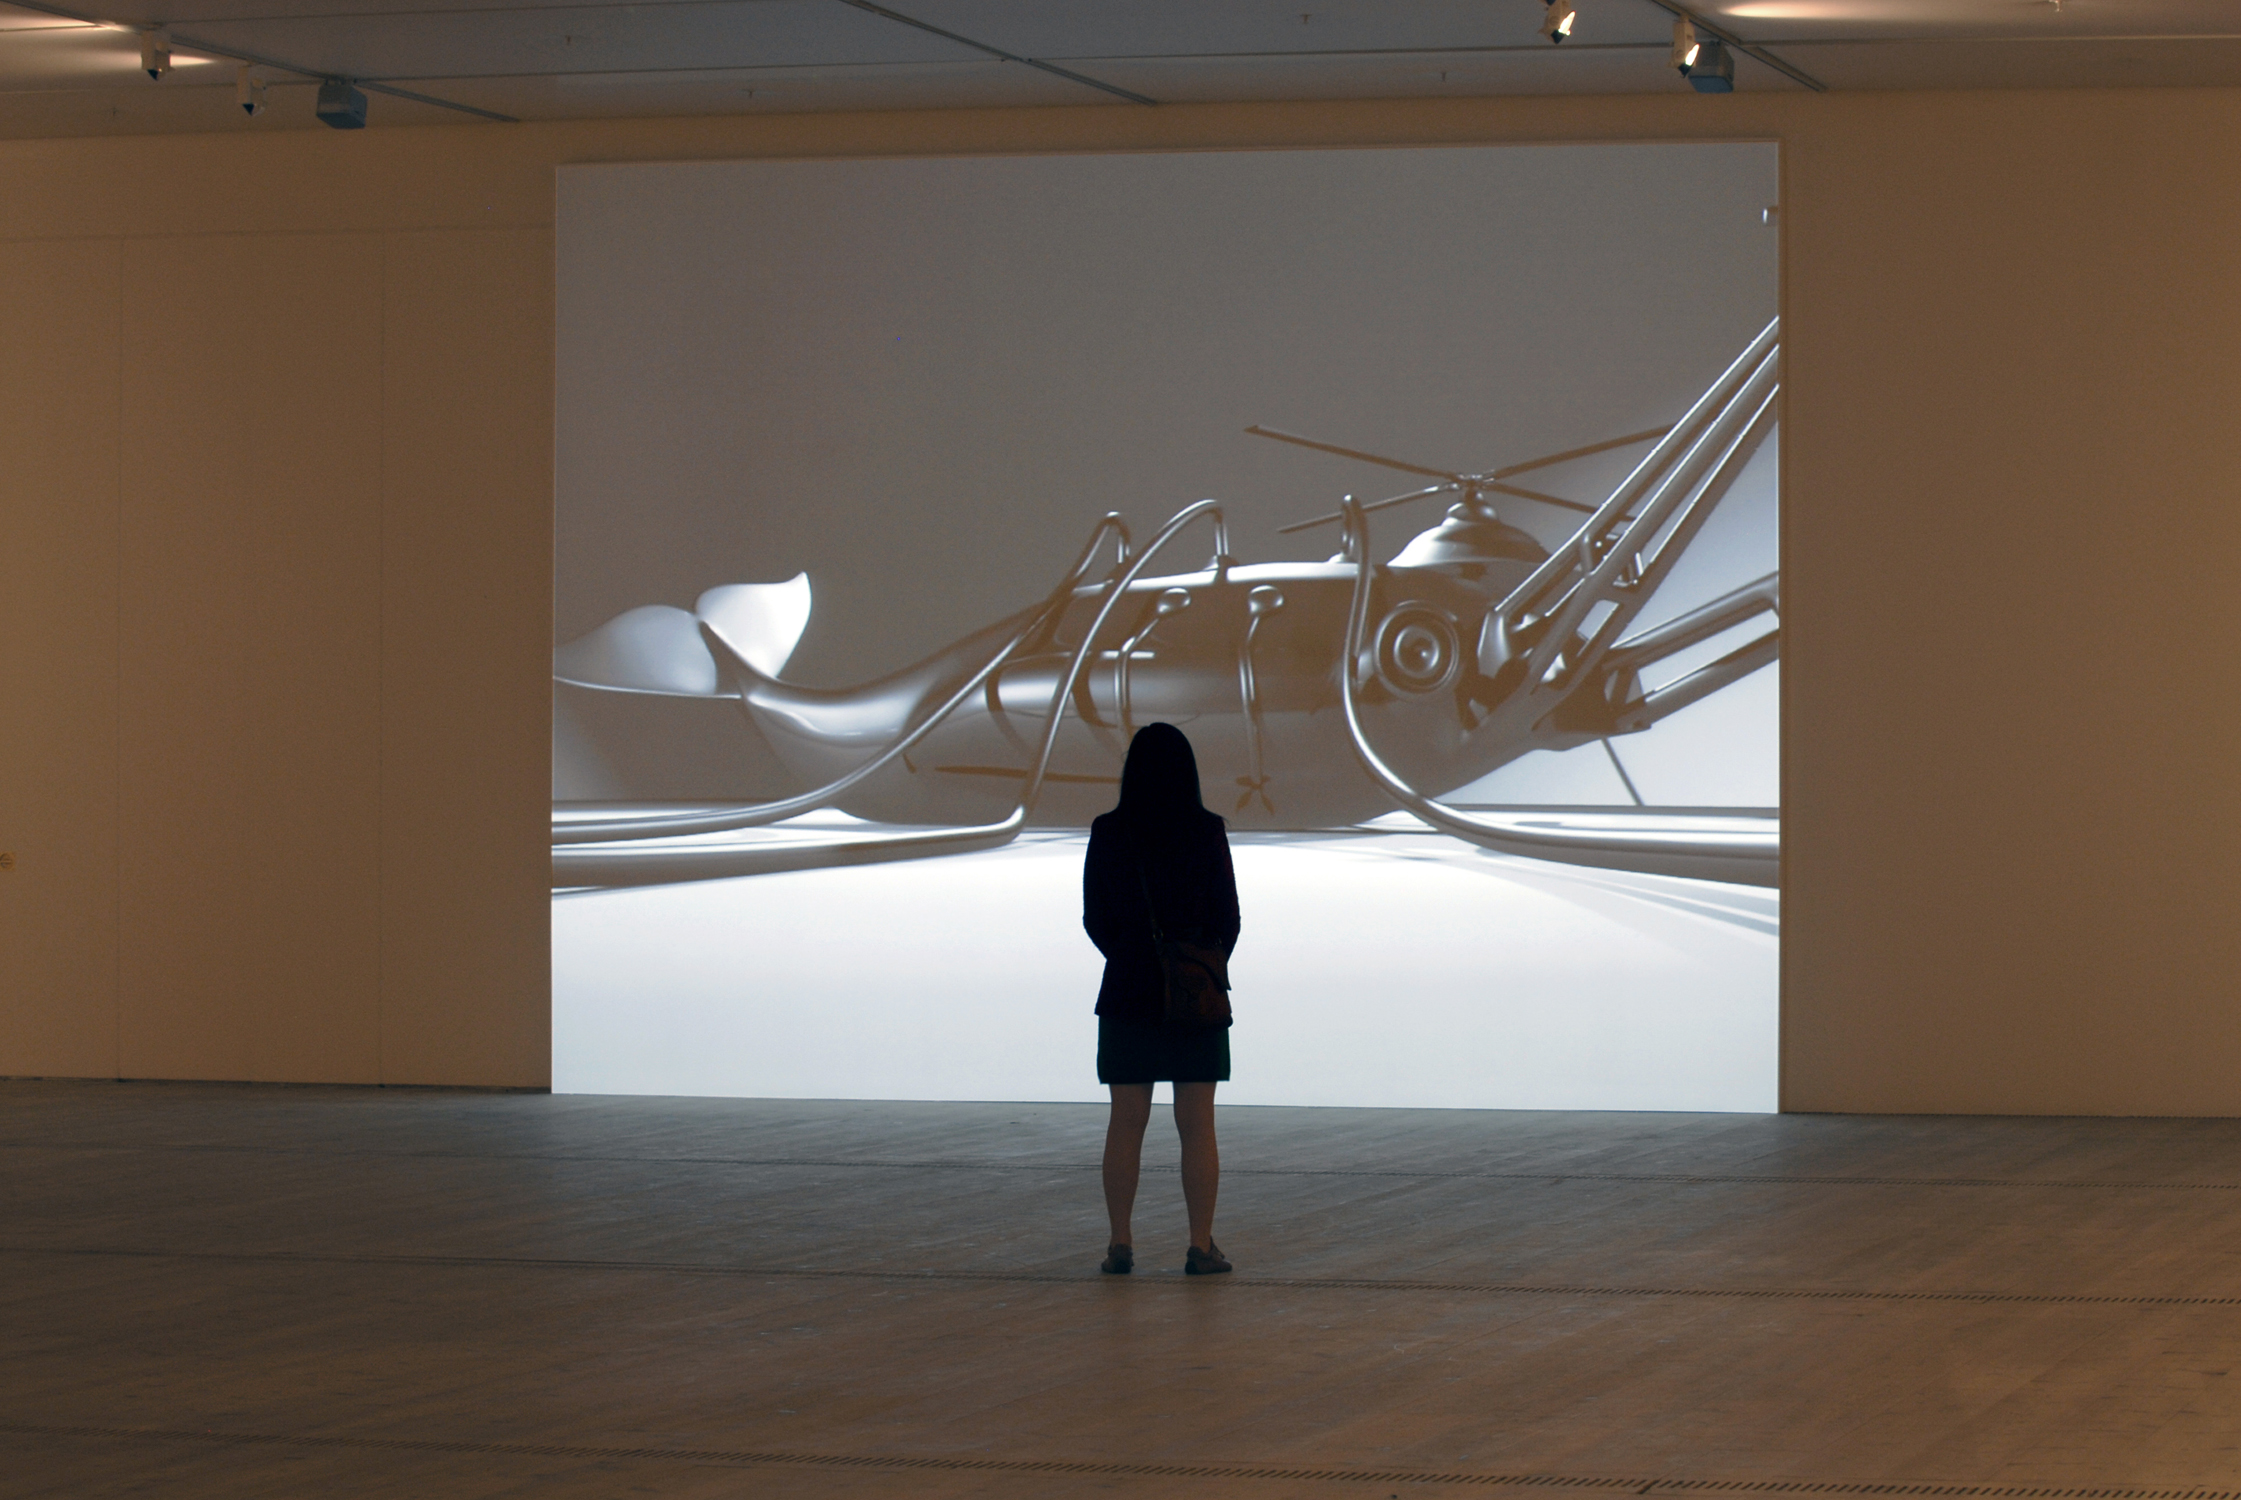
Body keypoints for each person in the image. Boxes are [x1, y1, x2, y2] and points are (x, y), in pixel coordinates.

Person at [1082, 721, 1240, 1276]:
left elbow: (1094, 919)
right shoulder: (1207, 831)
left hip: (1126, 990)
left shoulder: (1108, 831)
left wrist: (1131, 959)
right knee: (1197, 1123)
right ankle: (1200, 1245)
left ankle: (1120, 1243)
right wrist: (1197, 964)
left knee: (1126, 1121)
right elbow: (1230, 919)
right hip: (1195, 996)